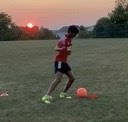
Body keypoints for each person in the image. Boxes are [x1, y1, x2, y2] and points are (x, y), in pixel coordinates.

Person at [42, 25, 79, 104]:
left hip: (64, 61)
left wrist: (68, 51)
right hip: (59, 61)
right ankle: (46, 96)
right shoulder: (63, 39)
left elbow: (68, 53)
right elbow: (55, 48)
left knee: (72, 78)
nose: (74, 36)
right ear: (70, 32)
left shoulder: (69, 40)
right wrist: (61, 49)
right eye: (74, 34)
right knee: (58, 79)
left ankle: (63, 93)